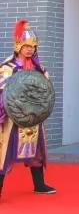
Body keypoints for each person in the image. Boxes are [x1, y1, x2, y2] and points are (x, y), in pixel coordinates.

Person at [0, 19, 56, 198]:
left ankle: (39, 184)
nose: (30, 49)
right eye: (26, 46)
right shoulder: (7, 68)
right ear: (18, 46)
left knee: (36, 150)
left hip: (33, 116)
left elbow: (45, 92)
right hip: (12, 118)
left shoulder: (39, 69)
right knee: (4, 152)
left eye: (33, 46)